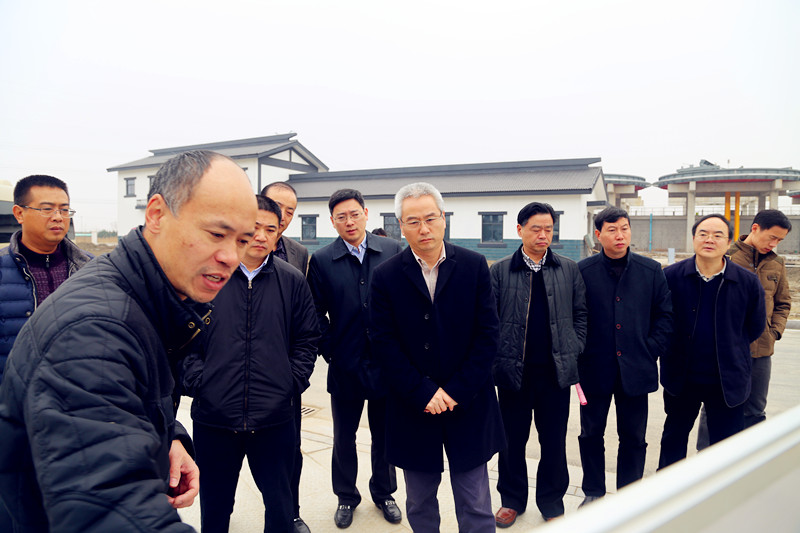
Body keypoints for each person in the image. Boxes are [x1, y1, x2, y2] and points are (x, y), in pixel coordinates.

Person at [0, 150, 258, 532]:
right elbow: (109, 508)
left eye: (243, 240)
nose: (230, 256)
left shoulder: (145, 296)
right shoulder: (93, 333)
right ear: (156, 214)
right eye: (217, 234)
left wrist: (168, 435)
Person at [369, 182, 505, 533]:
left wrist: (456, 390)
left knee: (475, 502)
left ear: (444, 218)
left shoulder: (474, 266)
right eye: (413, 221)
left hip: (468, 402)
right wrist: (422, 392)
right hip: (413, 405)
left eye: (430, 218)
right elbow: (383, 342)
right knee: (419, 502)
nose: (424, 228)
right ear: (401, 226)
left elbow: (488, 335)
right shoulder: (385, 276)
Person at [182, 195, 319, 532]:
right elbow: (179, 338)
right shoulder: (205, 275)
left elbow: (307, 339)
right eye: (254, 227)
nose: (261, 235)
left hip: (274, 419)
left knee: (280, 506)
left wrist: (290, 382)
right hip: (215, 418)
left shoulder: (292, 280)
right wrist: (200, 381)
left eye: (270, 229)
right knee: (215, 507)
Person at [306, 189, 403, 529]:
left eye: (354, 214)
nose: (349, 221)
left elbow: (404, 303)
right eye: (341, 217)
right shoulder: (321, 260)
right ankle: (346, 496)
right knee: (344, 437)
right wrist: (331, 350)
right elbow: (314, 313)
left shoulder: (391, 251)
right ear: (332, 221)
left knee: (384, 435)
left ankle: (384, 492)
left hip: (386, 363)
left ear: (366, 213)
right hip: (345, 364)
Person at [491, 201, 587, 526]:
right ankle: (511, 500)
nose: (543, 235)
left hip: (555, 374)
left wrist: (574, 346)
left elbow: (581, 314)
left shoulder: (569, 269)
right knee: (511, 441)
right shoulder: (500, 271)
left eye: (548, 229)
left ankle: (551, 501)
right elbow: (488, 320)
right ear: (520, 230)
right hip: (513, 374)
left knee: (553, 442)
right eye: (536, 229)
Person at [577, 207, 672, 505]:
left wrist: (650, 349)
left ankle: (629, 498)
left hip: (636, 369)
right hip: (594, 370)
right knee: (591, 434)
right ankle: (593, 492)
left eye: (624, 228)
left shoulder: (650, 270)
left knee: (633, 437)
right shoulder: (583, 271)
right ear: (598, 234)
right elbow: (574, 317)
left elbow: (665, 316)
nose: (619, 235)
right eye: (612, 229)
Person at [658, 214, 766, 469]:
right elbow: (660, 321)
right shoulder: (671, 277)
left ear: (728, 242)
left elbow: (754, 326)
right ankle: (669, 489)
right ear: (693, 238)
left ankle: (719, 491)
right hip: (681, 378)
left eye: (718, 235)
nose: (710, 240)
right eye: (703, 234)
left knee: (725, 448)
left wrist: (731, 347)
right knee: (673, 439)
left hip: (727, 380)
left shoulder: (747, 281)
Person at [696, 209, 793, 449]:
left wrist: (774, 332)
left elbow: (783, 303)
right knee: (715, 406)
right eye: (772, 237)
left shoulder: (777, 264)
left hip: (761, 351)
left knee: (755, 409)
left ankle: (749, 459)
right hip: (725, 350)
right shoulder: (725, 256)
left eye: (779, 240)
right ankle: (707, 459)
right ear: (755, 228)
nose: (774, 244)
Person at [0, 175, 93, 383]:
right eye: (47, 209)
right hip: (14, 394)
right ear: (19, 213)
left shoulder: (91, 268)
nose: (58, 217)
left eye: (64, 210)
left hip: (76, 392)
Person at [261, 181, 313, 533]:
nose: (282, 215)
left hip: (285, 374)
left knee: (290, 450)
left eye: (290, 210)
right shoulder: (232, 246)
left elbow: (306, 320)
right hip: (238, 372)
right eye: (276, 206)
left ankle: (290, 513)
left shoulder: (299, 254)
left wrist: (296, 375)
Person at [262, 182, 309, 274]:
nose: (282, 216)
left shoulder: (300, 252)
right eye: (276, 207)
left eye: (289, 213)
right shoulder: (239, 245)